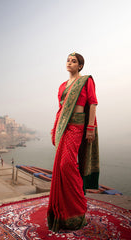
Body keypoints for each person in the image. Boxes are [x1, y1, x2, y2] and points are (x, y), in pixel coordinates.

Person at [47, 52, 99, 232]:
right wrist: (54, 129)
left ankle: (79, 205)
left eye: (74, 61)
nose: (70, 63)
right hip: (62, 126)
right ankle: (64, 214)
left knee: (67, 165)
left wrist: (90, 128)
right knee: (61, 168)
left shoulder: (86, 81)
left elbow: (92, 104)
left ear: (80, 66)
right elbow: (60, 110)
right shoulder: (62, 86)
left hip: (77, 126)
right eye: (68, 60)